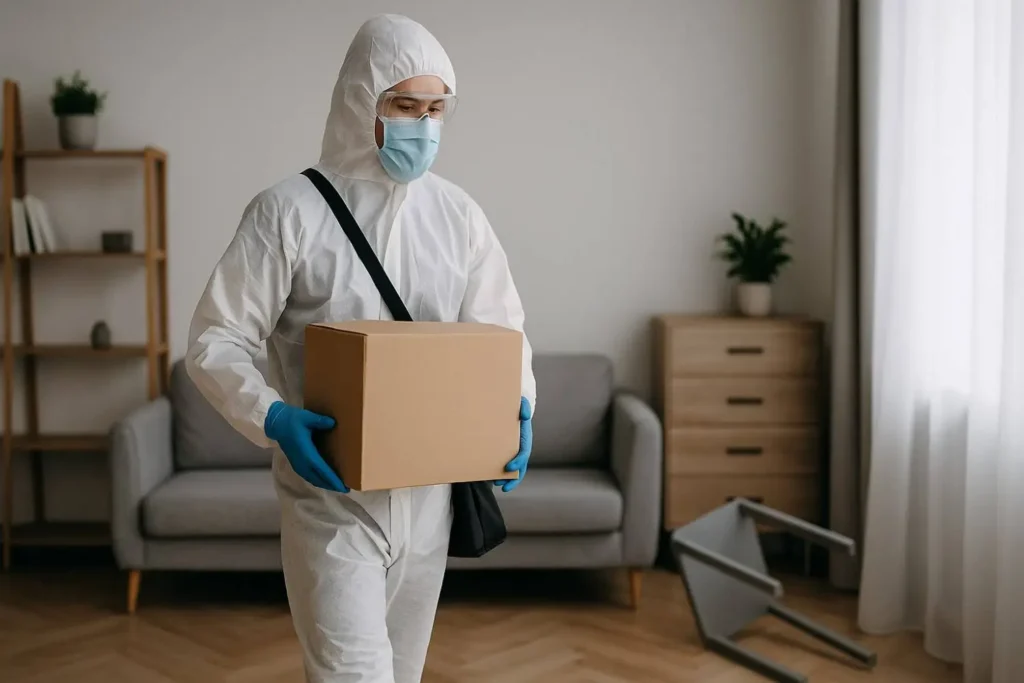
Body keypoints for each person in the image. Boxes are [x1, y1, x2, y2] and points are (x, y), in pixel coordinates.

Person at [184, 13, 537, 683]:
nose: (424, 126)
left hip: (432, 498)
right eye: (406, 105)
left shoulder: (458, 216)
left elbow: (502, 331)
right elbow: (216, 339)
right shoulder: (286, 212)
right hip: (333, 502)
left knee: (403, 673)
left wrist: (517, 403)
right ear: (359, 101)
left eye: (437, 109)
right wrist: (272, 417)